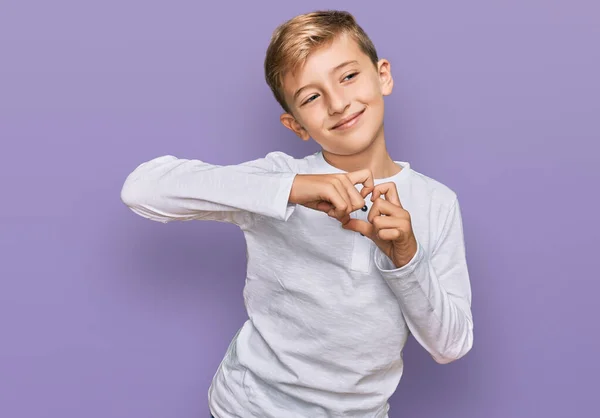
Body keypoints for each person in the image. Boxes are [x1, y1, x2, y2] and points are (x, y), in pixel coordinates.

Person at [121, 9, 473, 418]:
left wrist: (407, 257)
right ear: (296, 125)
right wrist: (290, 188)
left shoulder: (437, 202)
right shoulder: (280, 179)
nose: (338, 103)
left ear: (383, 76)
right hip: (248, 408)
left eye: (348, 76)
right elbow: (142, 189)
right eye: (311, 97)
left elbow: (451, 345)